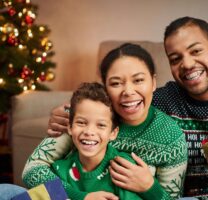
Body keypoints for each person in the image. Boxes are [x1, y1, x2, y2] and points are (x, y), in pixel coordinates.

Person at [47, 17, 208, 199]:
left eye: (196, 51)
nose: (187, 64)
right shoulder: (161, 100)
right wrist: (70, 114)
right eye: (175, 58)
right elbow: (111, 107)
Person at [22, 44, 188, 200]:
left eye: (138, 80)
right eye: (116, 83)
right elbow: (32, 170)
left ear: (153, 83)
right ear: (105, 88)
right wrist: (79, 197)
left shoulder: (170, 136)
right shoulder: (85, 118)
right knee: (6, 191)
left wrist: (150, 187)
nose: (128, 91)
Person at [52, 82, 143, 199]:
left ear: (113, 133)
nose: (89, 132)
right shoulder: (60, 169)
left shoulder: (123, 168)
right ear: (70, 128)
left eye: (100, 125)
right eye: (81, 122)